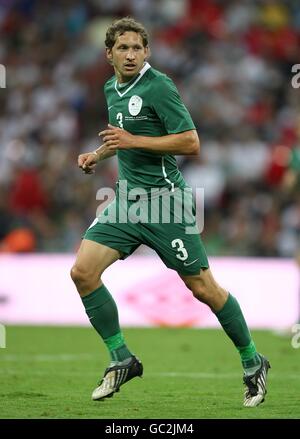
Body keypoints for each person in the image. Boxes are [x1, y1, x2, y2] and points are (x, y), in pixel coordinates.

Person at [71, 17, 270, 408]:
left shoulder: (158, 86)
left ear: (147, 52)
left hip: (165, 203)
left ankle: (252, 362)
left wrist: (133, 139)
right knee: (82, 272)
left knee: (203, 289)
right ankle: (121, 358)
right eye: (123, 48)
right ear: (108, 54)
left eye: (137, 48)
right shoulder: (111, 87)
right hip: (127, 201)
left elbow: (191, 142)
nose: (130, 55)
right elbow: (121, 137)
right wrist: (98, 154)